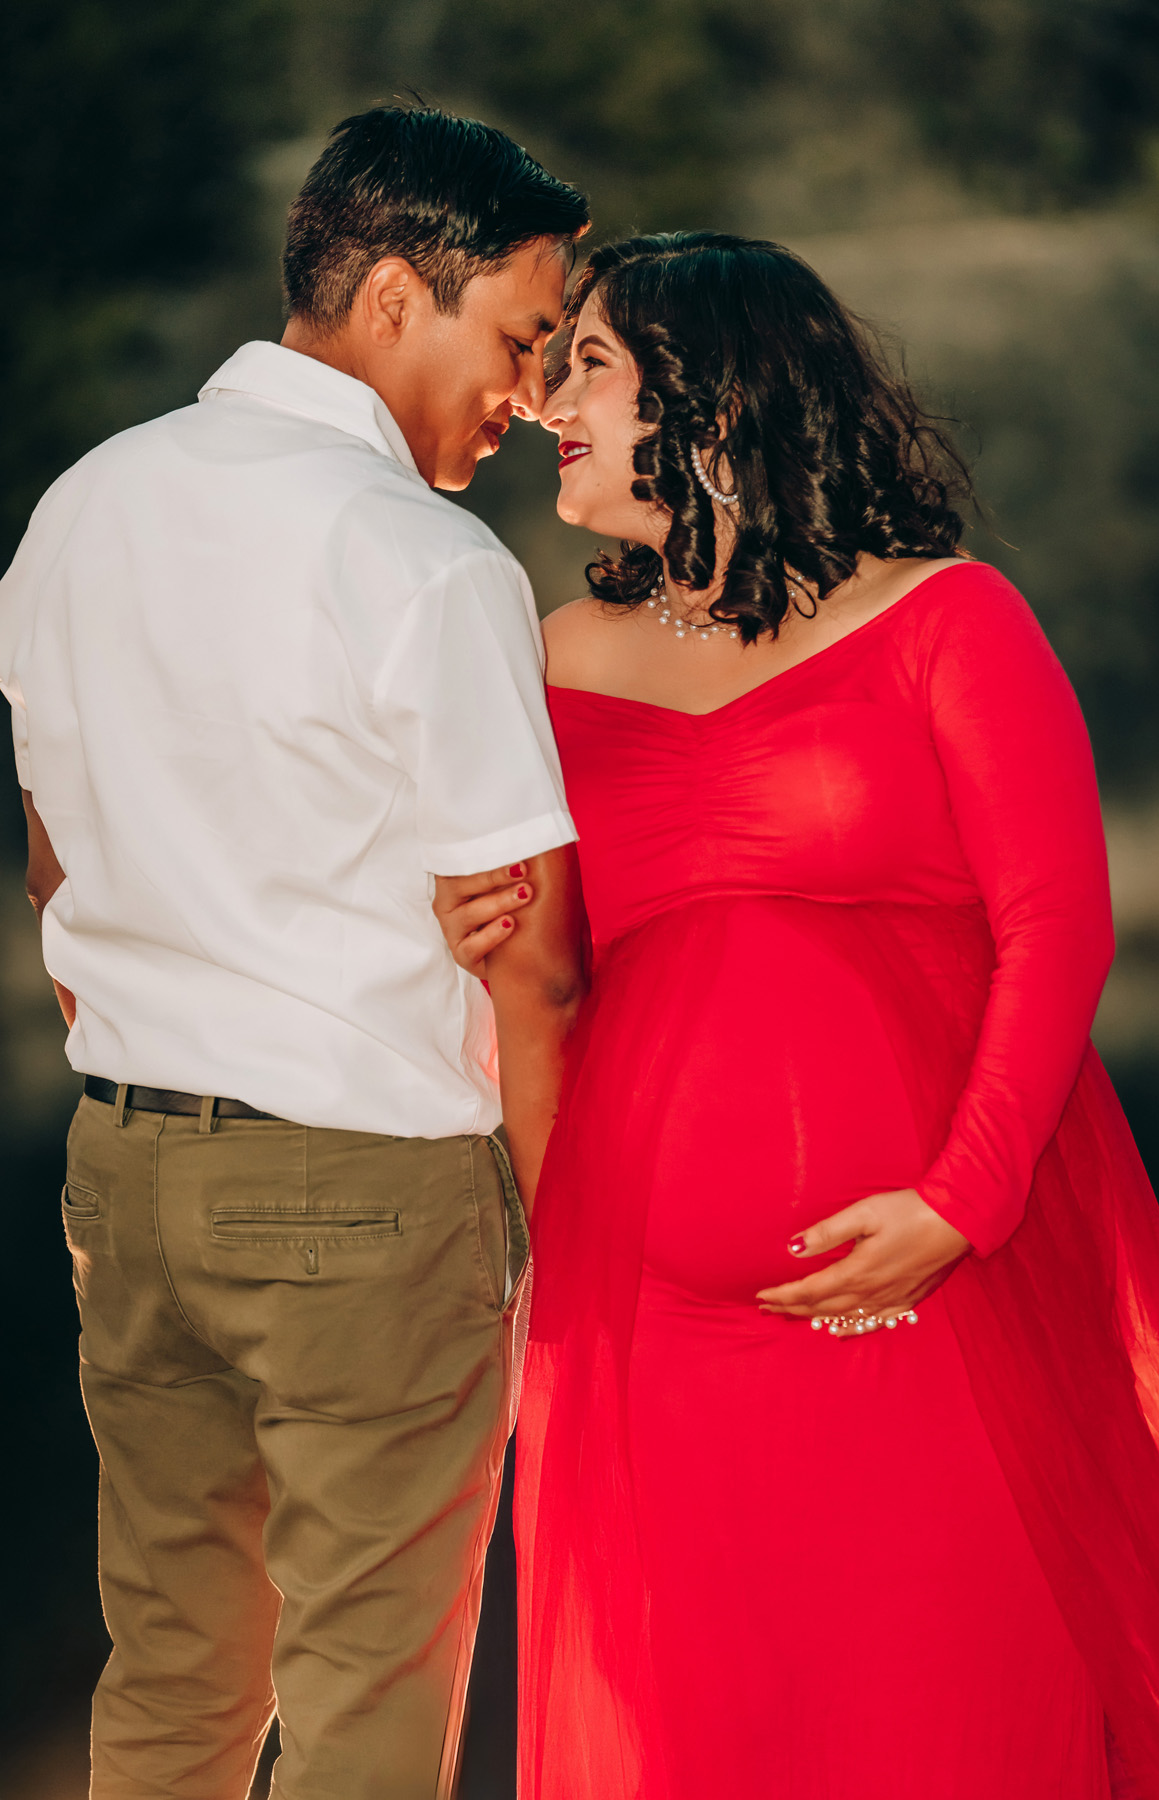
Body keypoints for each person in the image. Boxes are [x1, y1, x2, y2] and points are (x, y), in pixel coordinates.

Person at [435, 232, 1159, 1800]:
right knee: (707, 1736)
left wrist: (960, 1202)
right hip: (654, 1328)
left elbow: (1057, 926)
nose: (547, 404)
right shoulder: (551, 659)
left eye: (591, 366)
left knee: (950, 1717)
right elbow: (541, 972)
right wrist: (459, 932)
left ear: (714, 399)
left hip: (931, 1291)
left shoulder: (949, 617)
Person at [0, 106, 590, 1800]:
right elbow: (537, 963)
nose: (533, 395)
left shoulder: (80, 506)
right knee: (368, 1705)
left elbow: (55, 867)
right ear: (396, 294)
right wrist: (558, 1248)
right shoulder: (423, 558)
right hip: (369, 1189)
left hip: (127, 1176)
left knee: (173, 1681)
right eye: (523, 337)